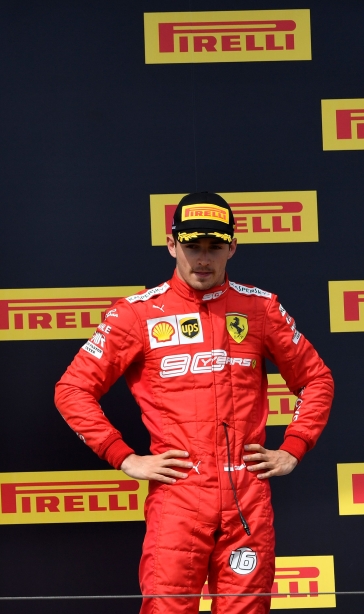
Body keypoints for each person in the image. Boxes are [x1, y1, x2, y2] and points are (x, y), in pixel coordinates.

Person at [54, 192, 333, 613]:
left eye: (214, 247)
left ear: (231, 248)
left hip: (246, 498)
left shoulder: (259, 308)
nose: (203, 259)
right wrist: (124, 457)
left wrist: (295, 447)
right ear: (172, 244)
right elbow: (72, 389)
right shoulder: (138, 314)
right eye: (192, 246)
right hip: (178, 498)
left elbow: (316, 379)